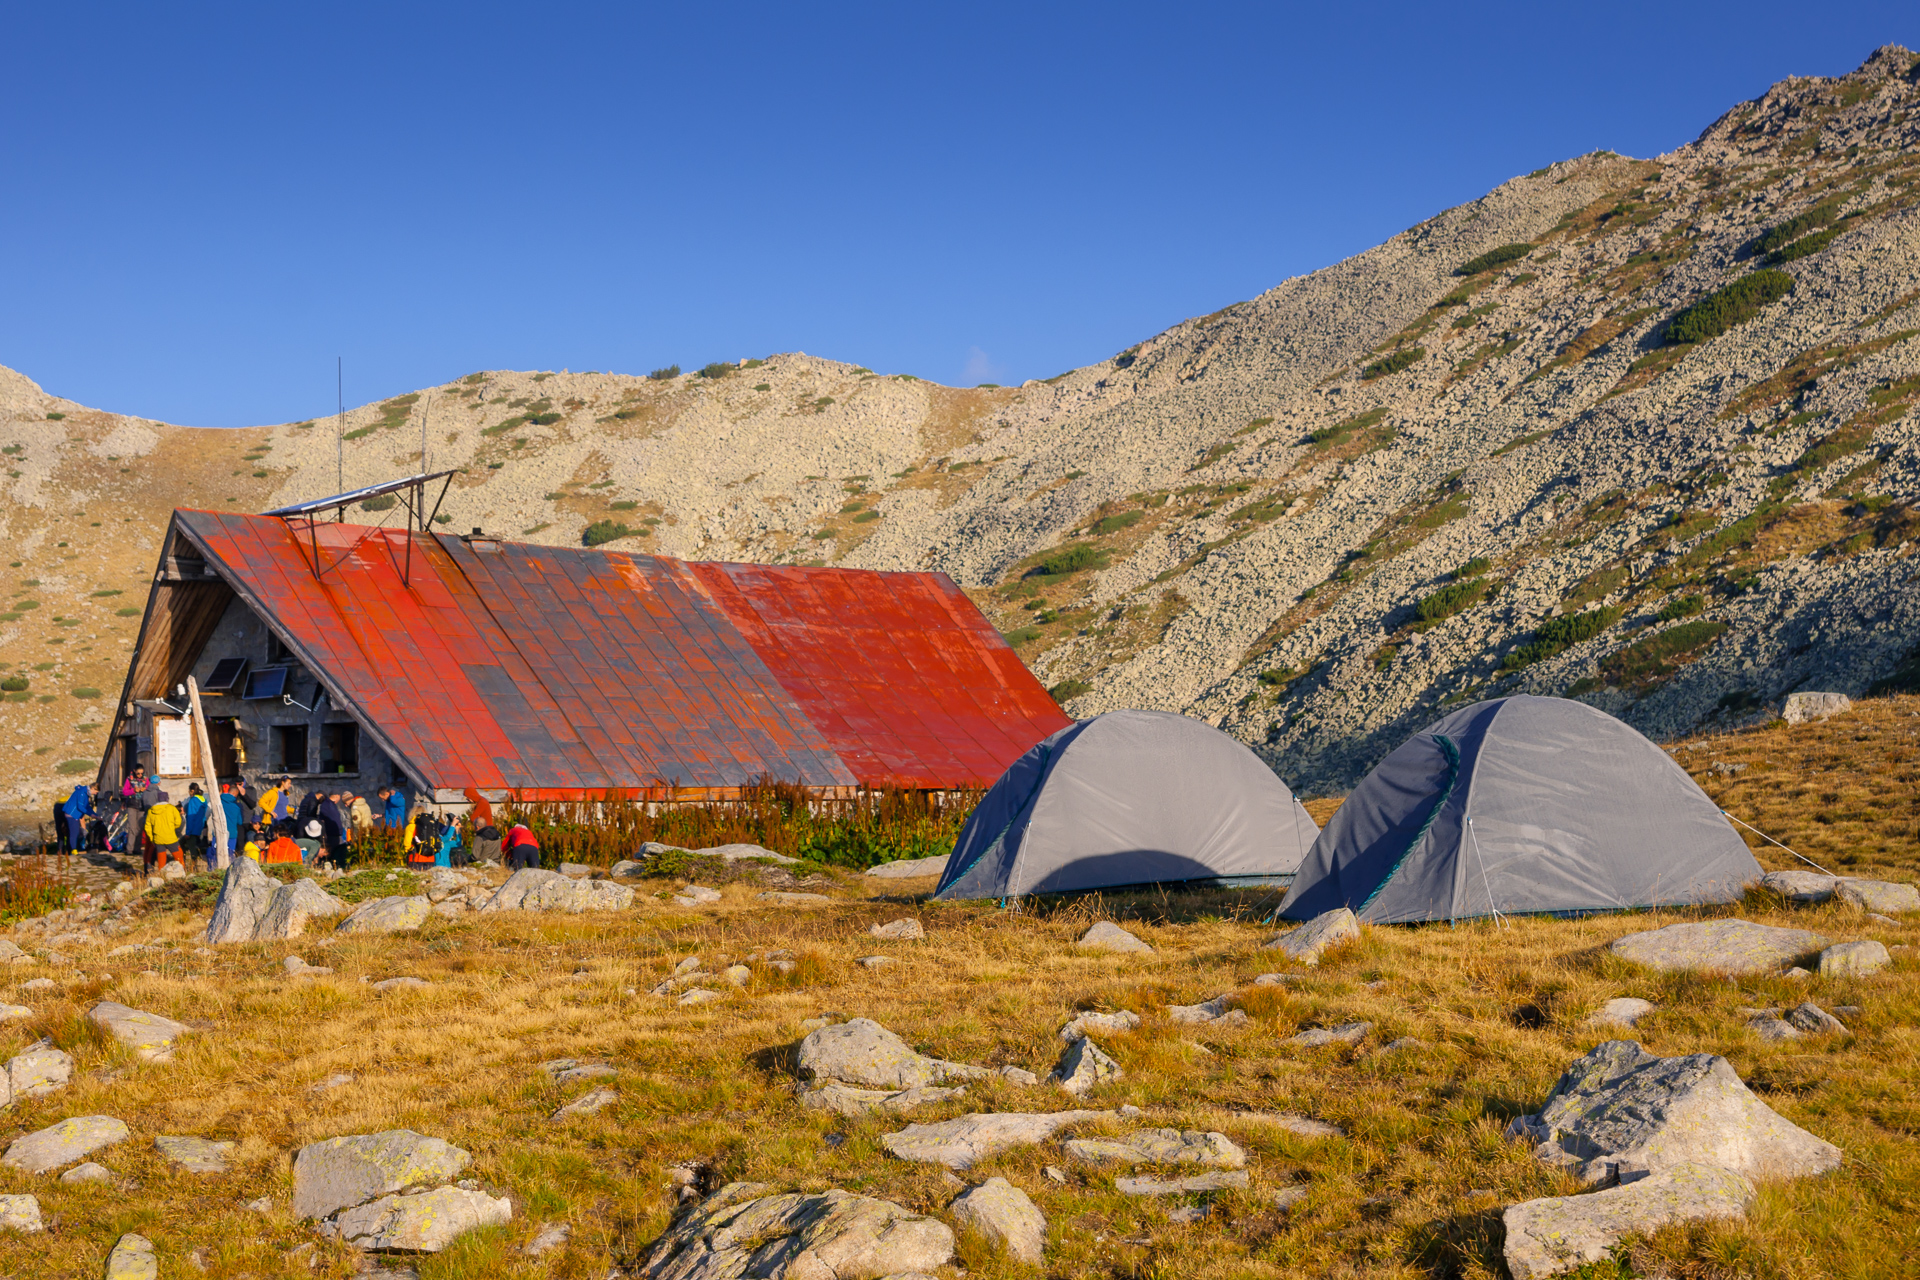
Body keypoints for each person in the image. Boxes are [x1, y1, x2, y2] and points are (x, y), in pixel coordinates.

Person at [144, 790, 185, 872]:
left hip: (158, 839)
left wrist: (152, 838)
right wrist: (171, 828)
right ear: (167, 799)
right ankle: (182, 873)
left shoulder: (151, 810)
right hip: (170, 838)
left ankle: (161, 877)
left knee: (161, 862)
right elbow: (178, 822)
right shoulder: (172, 808)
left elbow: (147, 827)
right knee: (179, 858)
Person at [60, 784, 94, 856]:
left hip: (68, 810)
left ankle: (67, 851)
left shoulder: (83, 793)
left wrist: (94, 815)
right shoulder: (82, 794)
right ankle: (73, 850)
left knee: (71, 832)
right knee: (74, 832)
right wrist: (84, 831)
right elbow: (81, 812)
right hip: (68, 811)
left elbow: (84, 810)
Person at [181, 783, 209, 869]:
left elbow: (190, 817)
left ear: (192, 791)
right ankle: (193, 863)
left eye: (189, 791)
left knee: (184, 844)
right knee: (193, 845)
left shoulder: (193, 801)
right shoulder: (203, 800)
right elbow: (203, 817)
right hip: (199, 827)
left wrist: (188, 833)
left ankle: (190, 866)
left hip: (192, 829)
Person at [220, 783, 247, 862]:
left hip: (219, 832)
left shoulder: (219, 802)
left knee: (217, 854)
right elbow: (240, 822)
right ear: (235, 793)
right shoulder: (236, 807)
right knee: (230, 855)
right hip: (232, 833)